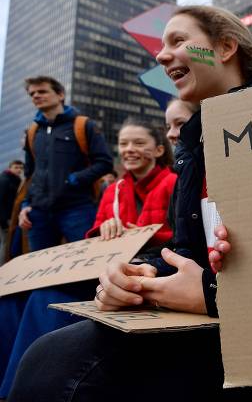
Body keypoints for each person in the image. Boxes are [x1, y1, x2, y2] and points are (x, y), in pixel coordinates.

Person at [7, 6, 252, 402]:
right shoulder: (194, 142)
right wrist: (139, 275)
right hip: (207, 321)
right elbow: (186, 251)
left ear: (225, 47)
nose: (160, 55)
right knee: (46, 356)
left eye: (178, 41)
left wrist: (210, 294)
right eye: (161, 44)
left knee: (61, 370)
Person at [0, 119, 175, 398]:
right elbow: (95, 235)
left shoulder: (174, 182)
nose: (129, 149)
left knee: (46, 297)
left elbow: (185, 236)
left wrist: (143, 235)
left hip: (146, 274)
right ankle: (7, 386)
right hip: (104, 271)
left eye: (139, 143)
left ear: (157, 150)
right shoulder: (113, 190)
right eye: (124, 144)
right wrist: (103, 230)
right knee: (12, 298)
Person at [16, 76, 112, 252]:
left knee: (87, 263)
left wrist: (74, 179)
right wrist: (25, 205)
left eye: (42, 91)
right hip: (39, 213)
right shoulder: (32, 132)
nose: (36, 96)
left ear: (60, 94)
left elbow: (105, 163)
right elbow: (30, 174)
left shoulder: (84, 125)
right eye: (32, 93)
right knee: (41, 270)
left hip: (77, 209)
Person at [0, 160, 23, 264]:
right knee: (6, 244)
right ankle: (3, 267)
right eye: (16, 167)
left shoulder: (16, 180)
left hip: (12, 218)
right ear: (10, 168)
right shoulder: (4, 180)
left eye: (21, 168)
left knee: (11, 243)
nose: (19, 170)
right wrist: (4, 221)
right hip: (5, 220)